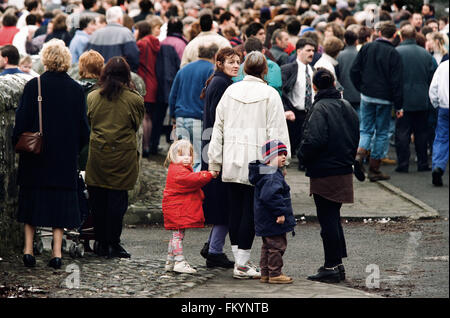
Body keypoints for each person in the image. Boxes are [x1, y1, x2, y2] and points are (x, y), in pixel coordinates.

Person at [208, 51, 290, 279]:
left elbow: (218, 129)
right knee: (251, 212)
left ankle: (240, 261)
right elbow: (277, 131)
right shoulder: (270, 94)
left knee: (234, 209)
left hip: (232, 157)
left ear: (244, 68)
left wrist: (214, 160)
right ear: (265, 70)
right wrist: (283, 160)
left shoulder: (230, 91)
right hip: (260, 162)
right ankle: (242, 264)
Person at [12, 39, 90, 269]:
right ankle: (56, 252)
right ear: (66, 60)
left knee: (32, 202)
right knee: (60, 204)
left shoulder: (33, 85)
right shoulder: (76, 89)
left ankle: (28, 250)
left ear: (45, 59)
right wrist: (73, 149)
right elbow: (84, 129)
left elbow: (20, 124)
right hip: (64, 158)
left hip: (36, 156)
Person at [298, 68, 359, 283]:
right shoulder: (347, 106)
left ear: (314, 86)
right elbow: (355, 135)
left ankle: (331, 266)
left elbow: (313, 140)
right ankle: (337, 264)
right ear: (333, 83)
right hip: (343, 169)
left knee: (328, 221)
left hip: (324, 171)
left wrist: (302, 156)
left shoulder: (320, 108)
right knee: (333, 218)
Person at [85, 56, 144, 259]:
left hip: (99, 155)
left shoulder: (93, 97)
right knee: (117, 202)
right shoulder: (134, 99)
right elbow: (136, 124)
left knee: (98, 200)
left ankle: (101, 241)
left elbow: (89, 121)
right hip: (122, 156)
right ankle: (113, 242)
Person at [199, 47, 241, 269]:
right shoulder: (221, 84)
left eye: (238, 62)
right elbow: (220, 122)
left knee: (223, 201)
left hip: (214, 146)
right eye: (231, 62)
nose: (235, 65)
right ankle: (214, 250)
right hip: (217, 149)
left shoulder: (220, 82)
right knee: (224, 202)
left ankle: (213, 246)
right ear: (220, 63)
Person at [351, 21, 403, 182]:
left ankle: (359, 156)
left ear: (380, 33)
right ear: (394, 35)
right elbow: (397, 82)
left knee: (365, 129)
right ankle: (374, 168)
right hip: (385, 99)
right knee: (381, 132)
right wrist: (399, 105)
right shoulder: (394, 54)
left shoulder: (367, 47)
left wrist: (362, 87)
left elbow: (354, 70)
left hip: (367, 94)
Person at [162, 139, 214, 274]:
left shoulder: (178, 168)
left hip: (176, 208)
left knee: (176, 235)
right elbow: (193, 179)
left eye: (189, 154)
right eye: (181, 154)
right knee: (177, 235)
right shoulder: (179, 171)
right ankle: (179, 261)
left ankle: (170, 260)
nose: (186, 157)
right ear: (173, 156)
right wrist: (208, 174)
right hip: (177, 209)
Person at [248, 140, 296, 284]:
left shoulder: (266, 172)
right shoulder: (272, 175)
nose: (283, 157)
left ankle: (265, 273)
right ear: (269, 158)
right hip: (273, 219)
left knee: (268, 246)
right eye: (279, 154)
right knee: (277, 246)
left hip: (265, 219)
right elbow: (271, 196)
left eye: (285, 154)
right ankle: (275, 273)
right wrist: (280, 213)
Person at [395, 24, 437, 173]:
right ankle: (423, 163)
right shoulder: (426, 55)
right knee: (421, 132)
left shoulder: (396, 53)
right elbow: (433, 77)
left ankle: (403, 164)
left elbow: (392, 77)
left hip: (402, 99)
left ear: (401, 36)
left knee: (402, 133)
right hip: (422, 99)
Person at [169, 44, 218, 172]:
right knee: (196, 158)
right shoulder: (211, 70)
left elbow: (173, 95)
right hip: (198, 117)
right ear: (214, 56)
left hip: (181, 117)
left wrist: (173, 118)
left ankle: (180, 183)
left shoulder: (184, 69)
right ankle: (193, 188)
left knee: (180, 156)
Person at [281, 37, 316, 171]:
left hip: (310, 111)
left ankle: (304, 162)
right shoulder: (288, 69)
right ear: (299, 51)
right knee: (293, 140)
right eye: (308, 50)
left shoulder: (314, 70)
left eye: (313, 50)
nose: (311, 53)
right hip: (295, 112)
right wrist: (286, 109)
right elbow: (281, 92)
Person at [86, 6, 140, 72]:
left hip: (99, 76)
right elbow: (133, 58)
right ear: (120, 19)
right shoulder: (126, 33)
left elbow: (87, 57)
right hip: (118, 76)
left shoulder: (95, 34)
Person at [135, 20, 160, 158]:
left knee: (143, 116)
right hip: (153, 81)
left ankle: (144, 147)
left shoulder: (141, 44)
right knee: (149, 116)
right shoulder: (155, 42)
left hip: (144, 82)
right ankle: (148, 145)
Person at [429, 60, 449, 186]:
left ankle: (438, 166)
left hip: (444, 107)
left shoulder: (443, 66)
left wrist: (436, 103)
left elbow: (433, 88)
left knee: (441, 138)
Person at [336, 30, 360, 115]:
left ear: (345, 41)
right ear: (356, 41)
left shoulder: (339, 55)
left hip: (345, 94)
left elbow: (337, 75)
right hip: (359, 94)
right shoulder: (360, 54)